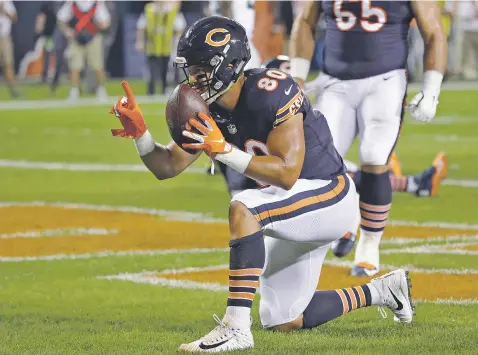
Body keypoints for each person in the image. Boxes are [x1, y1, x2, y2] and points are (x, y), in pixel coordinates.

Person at [109, 16, 414, 353]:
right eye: (191, 71)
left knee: (245, 207)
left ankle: (236, 328)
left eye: (199, 70)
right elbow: (167, 166)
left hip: (329, 194)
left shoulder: (273, 91)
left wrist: (222, 149)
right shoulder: (208, 107)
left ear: (226, 66)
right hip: (294, 205)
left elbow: (287, 173)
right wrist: (141, 135)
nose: (193, 80)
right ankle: (384, 291)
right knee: (281, 318)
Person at [208, 55, 449, 258]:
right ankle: (414, 184)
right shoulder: (249, 108)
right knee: (345, 173)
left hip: (292, 186)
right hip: (267, 188)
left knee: (340, 172)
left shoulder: (280, 101)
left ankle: (411, 186)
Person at [289, 1, 448, 276]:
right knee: (321, 163)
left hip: (385, 80)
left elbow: (433, 30)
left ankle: (369, 245)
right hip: (334, 81)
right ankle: (346, 219)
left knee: (375, 156)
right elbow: (305, 21)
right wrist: (298, 77)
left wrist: (432, 89)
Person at [57, 0, 110, 101]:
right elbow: (61, 19)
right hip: (76, 38)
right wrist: (67, 31)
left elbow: (106, 22)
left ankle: (101, 90)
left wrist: (100, 24)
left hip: (93, 37)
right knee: (74, 66)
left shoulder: (97, 3)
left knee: (98, 66)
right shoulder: (71, 3)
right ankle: (74, 91)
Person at [136, 0, 184, 95]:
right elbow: (141, 26)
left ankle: (165, 89)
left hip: (167, 46)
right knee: (151, 70)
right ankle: (151, 91)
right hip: (152, 45)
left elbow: (180, 27)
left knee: (166, 70)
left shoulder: (173, 10)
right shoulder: (149, 9)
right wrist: (140, 42)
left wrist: (177, 43)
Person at [35, 1, 58, 84]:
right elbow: (41, 17)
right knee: (48, 55)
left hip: (56, 34)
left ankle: (53, 76)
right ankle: (46, 76)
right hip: (49, 36)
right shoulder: (47, 5)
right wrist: (39, 30)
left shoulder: (58, 4)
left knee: (54, 55)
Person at [0, 0, 19, 98]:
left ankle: (13, 91)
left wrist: (3, 10)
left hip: (4, 37)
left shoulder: (6, 2)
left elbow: (14, 18)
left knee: (8, 64)